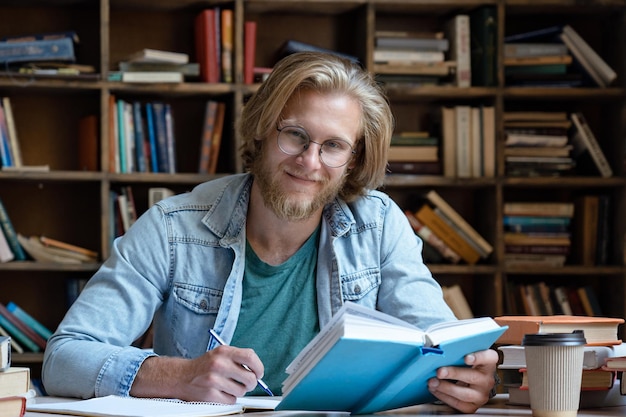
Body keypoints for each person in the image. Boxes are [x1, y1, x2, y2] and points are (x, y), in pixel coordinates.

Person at [42, 51, 498, 413]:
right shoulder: (172, 226)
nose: (309, 161)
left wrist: (469, 377)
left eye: (333, 146)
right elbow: (64, 358)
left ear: (354, 159)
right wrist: (179, 376)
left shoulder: (379, 225)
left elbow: (441, 344)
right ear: (262, 131)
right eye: (295, 135)